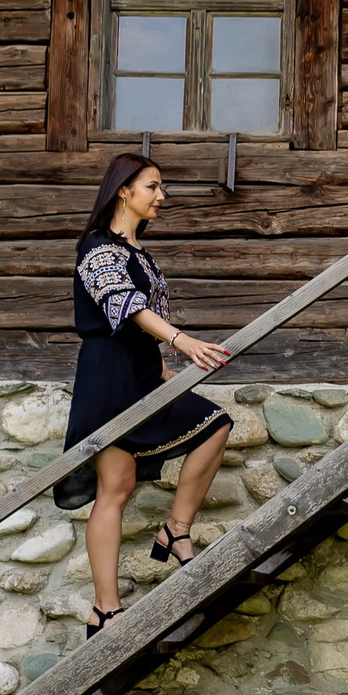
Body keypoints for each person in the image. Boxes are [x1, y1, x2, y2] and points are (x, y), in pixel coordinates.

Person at [60, 152, 234, 634]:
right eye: (153, 186)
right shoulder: (97, 246)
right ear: (124, 190)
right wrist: (182, 340)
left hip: (141, 371)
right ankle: (106, 609)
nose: (162, 196)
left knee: (215, 425)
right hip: (108, 375)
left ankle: (176, 529)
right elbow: (124, 306)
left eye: (161, 187)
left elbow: (142, 324)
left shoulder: (142, 255)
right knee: (115, 489)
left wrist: (163, 370)